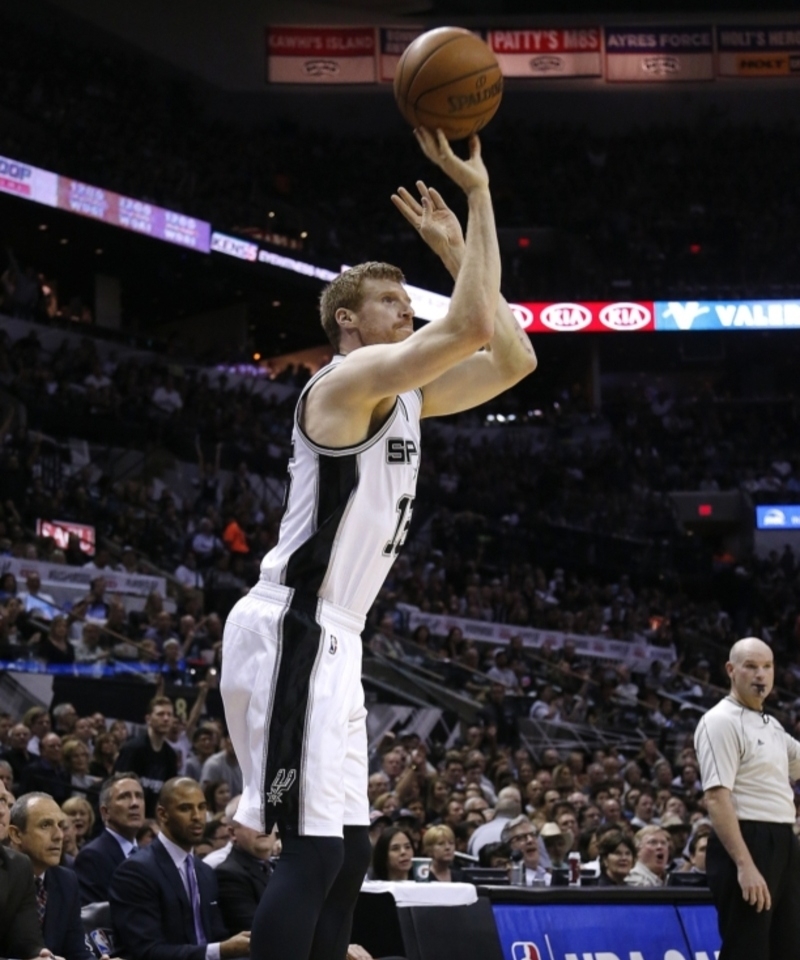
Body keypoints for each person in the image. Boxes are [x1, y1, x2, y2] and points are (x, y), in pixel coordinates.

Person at [220, 126, 536, 960]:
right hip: (291, 624)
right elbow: (469, 323)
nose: (409, 309)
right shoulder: (344, 382)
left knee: (351, 851)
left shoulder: (403, 400)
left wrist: (462, 248)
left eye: (411, 300)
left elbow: (513, 356)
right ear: (348, 324)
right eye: (394, 304)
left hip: (336, 636)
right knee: (313, 849)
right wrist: (476, 197)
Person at [695, 636, 800, 959]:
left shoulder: (772, 726)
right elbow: (715, 797)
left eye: (767, 667)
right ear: (731, 669)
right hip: (748, 840)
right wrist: (745, 865)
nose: (760, 675)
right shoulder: (720, 721)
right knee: (748, 949)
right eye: (751, 666)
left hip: (783, 839)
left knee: (789, 946)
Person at [109, 777, 250, 960]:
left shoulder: (204, 872)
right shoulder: (135, 872)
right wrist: (221, 950)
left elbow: (217, 936)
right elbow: (146, 951)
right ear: (162, 814)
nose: (197, 816)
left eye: (201, 807)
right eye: (185, 808)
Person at [7, 792, 91, 960]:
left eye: (60, 825)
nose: (59, 835)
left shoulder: (67, 881)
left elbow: (76, 952)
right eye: (45, 825)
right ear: (16, 835)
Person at [75, 773, 145, 905]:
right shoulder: (91, 857)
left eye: (139, 796)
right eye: (124, 797)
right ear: (105, 812)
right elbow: (93, 918)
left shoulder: (147, 854)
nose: (135, 803)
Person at [0, 784, 46, 960]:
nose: (1, 811)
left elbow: (28, 944)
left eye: (3, 800)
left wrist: (40, 957)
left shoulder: (19, 866)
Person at [114, 696, 178, 816]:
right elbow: (117, 789)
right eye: (160, 714)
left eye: (170, 714)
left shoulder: (170, 755)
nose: (166, 718)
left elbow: (168, 794)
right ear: (148, 719)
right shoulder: (132, 749)